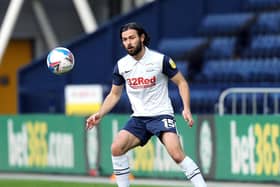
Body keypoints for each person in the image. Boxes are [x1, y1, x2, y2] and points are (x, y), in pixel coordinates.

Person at [86, 22, 207, 187]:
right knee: (116, 147)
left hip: (161, 115)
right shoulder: (122, 66)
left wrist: (186, 108)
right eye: (124, 39)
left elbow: (182, 83)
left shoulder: (160, 60)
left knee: (177, 155)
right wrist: (100, 114)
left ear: (142, 38)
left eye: (132, 38)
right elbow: (114, 94)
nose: (128, 42)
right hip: (139, 118)